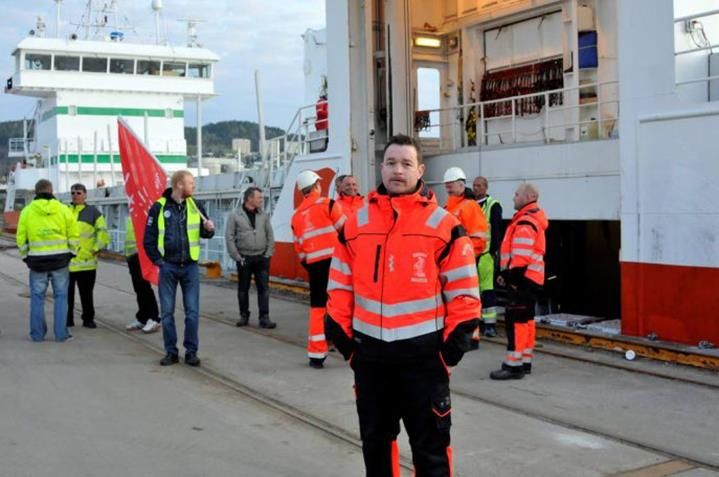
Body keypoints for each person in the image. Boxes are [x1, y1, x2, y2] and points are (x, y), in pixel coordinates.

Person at [326, 134, 481, 476]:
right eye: (392, 163)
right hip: (371, 361)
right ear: (381, 167)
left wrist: (447, 355)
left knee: (431, 453)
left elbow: (465, 297)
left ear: (420, 169)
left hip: (424, 362)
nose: (398, 170)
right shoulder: (355, 225)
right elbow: (338, 290)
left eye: (406, 163)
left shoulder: (444, 225)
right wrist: (349, 348)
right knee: (376, 448)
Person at [144, 170, 215, 367]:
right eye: (191, 183)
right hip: (168, 267)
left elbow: (205, 231)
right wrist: (159, 261)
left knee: (192, 312)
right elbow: (148, 239)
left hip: (190, 267)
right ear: (179, 185)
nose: (194, 186)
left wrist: (210, 230)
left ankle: (191, 352)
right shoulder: (159, 207)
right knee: (167, 312)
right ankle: (171, 352)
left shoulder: (196, 206)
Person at [490, 183, 548, 380]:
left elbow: (521, 257)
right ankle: (524, 361)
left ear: (528, 197)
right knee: (527, 320)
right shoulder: (532, 220)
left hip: (522, 280)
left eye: (516, 194)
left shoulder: (524, 223)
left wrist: (509, 278)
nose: (513, 197)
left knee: (515, 322)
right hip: (530, 280)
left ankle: (513, 365)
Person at [291, 170, 346, 369]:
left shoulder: (296, 217)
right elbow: (346, 232)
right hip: (337, 264)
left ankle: (316, 354)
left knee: (317, 309)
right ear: (316, 186)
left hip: (315, 268)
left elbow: (300, 251)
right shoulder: (328, 204)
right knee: (342, 303)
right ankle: (347, 346)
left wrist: (312, 264)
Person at [17, 179, 79, 342]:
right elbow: (73, 232)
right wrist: (72, 253)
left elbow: (21, 237)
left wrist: (25, 256)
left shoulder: (27, 211)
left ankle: (37, 335)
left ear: (36, 192)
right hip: (60, 260)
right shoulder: (64, 209)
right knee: (61, 297)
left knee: (37, 298)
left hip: (37, 261)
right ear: (51, 191)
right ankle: (61, 334)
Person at [443, 166, 488, 350]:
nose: (448, 188)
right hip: (450, 262)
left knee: (468, 300)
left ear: (461, 185)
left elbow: (480, 238)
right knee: (455, 301)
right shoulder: (449, 207)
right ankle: (458, 335)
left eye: (451, 185)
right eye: (446, 185)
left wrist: (466, 256)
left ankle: (472, 337)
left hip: (464, 262)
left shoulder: (469, 206)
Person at [225, 186, 276, 329]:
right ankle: (244, 315)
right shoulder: (235, 215)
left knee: (264, 288)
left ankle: (264, 317)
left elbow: (270, 235)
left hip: (261, 257)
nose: (261, 200)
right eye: (259, 197)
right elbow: (229, 237)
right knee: (243, 288)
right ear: (250, 199)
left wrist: (267, 254)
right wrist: (237, 256)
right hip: (244, 258)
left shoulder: (263, 215)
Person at [67, 183, 109, 329]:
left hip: (87, 262)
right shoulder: (65, 211)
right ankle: (68, 319)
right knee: (67, 295)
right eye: (72, 193)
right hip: (68, 263)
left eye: (78, 193)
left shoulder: (94, 213)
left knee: (86, 294)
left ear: (85, 195)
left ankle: (88, 319)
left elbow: (102, 233)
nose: (75, 195)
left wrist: (95, 249)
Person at [473, 176, 503, 338]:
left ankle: (489, 325)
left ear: (486, 187)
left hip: (485, 255)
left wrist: (493, 252)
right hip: (470, 255)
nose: (476, 188)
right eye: (474, 185)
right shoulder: (469, 204)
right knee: (473, 291)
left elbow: (498, 231)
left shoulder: (493, 205)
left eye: (479, 185)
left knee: (487, 290)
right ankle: (476, 322)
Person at [124, 217, 161, 333]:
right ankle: (143, 317)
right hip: (132, 255)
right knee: (139, 289)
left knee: (144, 288)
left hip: (142, 255)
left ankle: (154, 318)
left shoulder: (144, 212)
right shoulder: (132, 214)